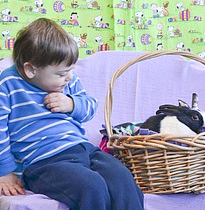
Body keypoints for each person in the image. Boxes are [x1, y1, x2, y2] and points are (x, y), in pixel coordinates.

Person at [0, 18, 144, 210]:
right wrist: (5, 171)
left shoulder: (68, 79)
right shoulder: (7, 84)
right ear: (30, 69)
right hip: (43, 162)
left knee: (122, 178)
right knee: (92, 186)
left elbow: (89, 107)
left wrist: (72, 104)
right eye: (60, 74)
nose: (68, 77)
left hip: (83, 148)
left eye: (71, 70)